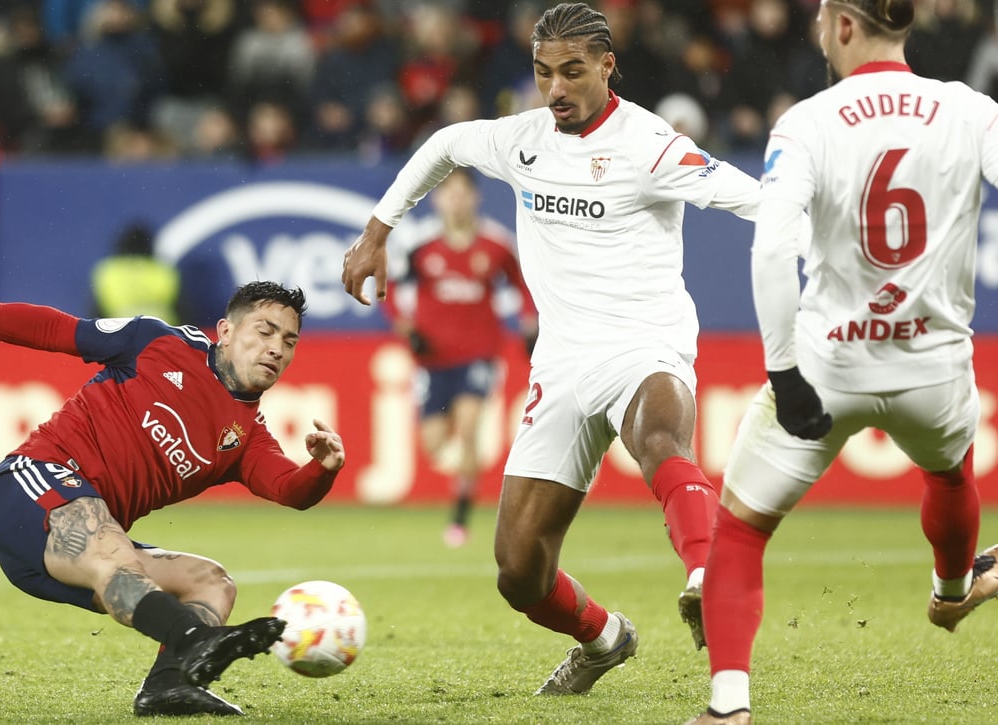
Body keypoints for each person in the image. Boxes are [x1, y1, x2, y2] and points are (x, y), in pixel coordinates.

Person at [341, 2, 761, 695]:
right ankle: (602, 637)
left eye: (572, 72)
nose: (556, 89)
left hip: (642, 341)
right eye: (543, 74)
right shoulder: (524, 140)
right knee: (518, 570)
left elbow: (750, 198)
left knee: (660, 437)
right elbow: (445, 144)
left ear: (607, 66)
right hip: (562, 361)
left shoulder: (649, 145)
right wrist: (379, 228)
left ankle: (707, 573)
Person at [691, 2, 998, 723]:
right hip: (934, 365)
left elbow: (771, 250)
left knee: (738, 529)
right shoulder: (969, 110)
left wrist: (782, 370)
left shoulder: (807, 122)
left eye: (825, 14)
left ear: (846, 27)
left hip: (831, 365)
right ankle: (952, 590)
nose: (819, 28)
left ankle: (728, 705)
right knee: (948, 473)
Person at [0, 271, 346, 717]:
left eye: (289, 342)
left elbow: (291, 490)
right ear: (225, 330)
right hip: (29, 488)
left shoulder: (245, 439)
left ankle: (170, 685)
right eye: (265, 332)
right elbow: (52, 328)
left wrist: (322, 470)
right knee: (106, 539)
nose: (276, 350)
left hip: (80, 554)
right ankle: (190, 638)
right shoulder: (156, 341)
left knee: (212, 582)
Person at [383, 168, 537, 548]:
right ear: (437, 200)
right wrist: (405, 328)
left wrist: (528, 323)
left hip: (480, 353)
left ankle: (460, 515)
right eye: (448, 193)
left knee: (468, 428)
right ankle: (463, 488)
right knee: (433, 444)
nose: (456, 200)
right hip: (433, 359)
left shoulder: (496, 244)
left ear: (475, 198)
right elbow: (387, 285)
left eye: (462, 193)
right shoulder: (420, 245)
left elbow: (525, 282)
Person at [90, 222, 180, 320]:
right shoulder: (161, 269)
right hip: (161, 331)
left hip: (121, 331)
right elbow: (181, 308)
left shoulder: (108, 271)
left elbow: (96, 312)